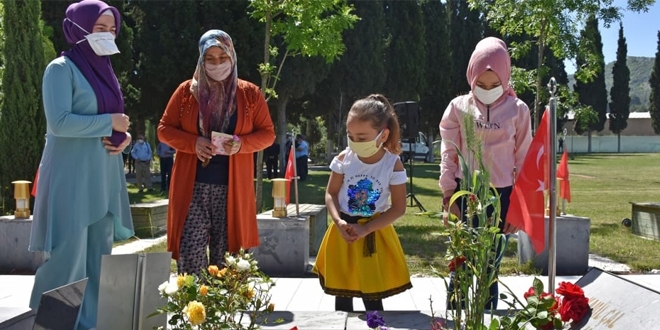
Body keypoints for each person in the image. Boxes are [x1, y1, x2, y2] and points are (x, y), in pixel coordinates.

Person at [27, 1, 134, 329]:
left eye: (112, 29)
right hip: (71, 177)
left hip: (102, 175)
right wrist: (110, 123)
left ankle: (88, 325)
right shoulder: (60, 69)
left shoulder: (106, 72)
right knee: (66, 262)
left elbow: (115, 122)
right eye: (99, 28)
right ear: (78, 27)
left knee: (97, 261)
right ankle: (49, 326)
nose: (107, 35)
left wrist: (123, 136)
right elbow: (59, 122)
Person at [157, 29, 275, 276]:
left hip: (232, 189)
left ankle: (225, 313)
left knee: (229, 260)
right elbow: (164, 130)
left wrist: (242, 144)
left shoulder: (250, 94)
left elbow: (267, 134)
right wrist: (194, 143)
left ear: (232, 55)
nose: (217, 64)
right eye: (210, 58)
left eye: (222, 57)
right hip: (192, 188)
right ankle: (194, 310)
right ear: (201, 59)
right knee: (190, 256)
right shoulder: (186, 92)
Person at [439, 36, 532, 310]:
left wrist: (519, 207)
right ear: (471, 76)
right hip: (464, 192)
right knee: (461, 260)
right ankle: (453, 318)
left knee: (491, 262)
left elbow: (524, 159)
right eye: (481, 84)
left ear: (506, 78)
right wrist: (448, 196)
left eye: (495, 85)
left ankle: (487, 315)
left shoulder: (519, 110)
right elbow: (449, 152)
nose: (488, 90)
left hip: (502, 196)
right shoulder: (458, 106)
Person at [313, 94, 412, 312]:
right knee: (342, 292)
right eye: (350, 136)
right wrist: (338, 222)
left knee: (372, 295)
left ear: (383, 134)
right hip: (343, 233)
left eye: (362, 137)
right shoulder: (343, 159)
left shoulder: (392, 165)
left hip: (372, 235)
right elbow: (331, 193)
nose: (355, 142)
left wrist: (366, 228)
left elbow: (398, 208)